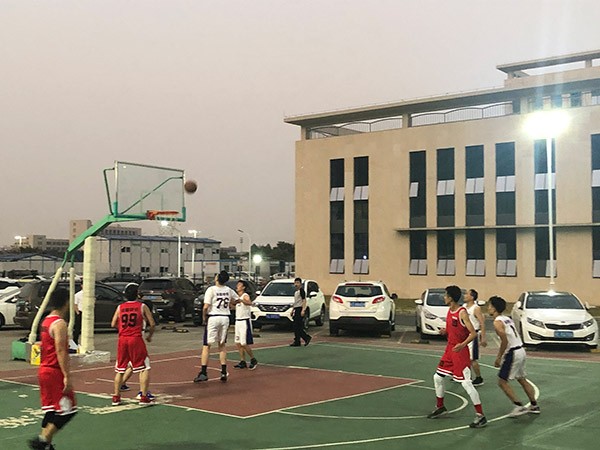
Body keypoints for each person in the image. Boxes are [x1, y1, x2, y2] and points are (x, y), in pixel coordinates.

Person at [427, 285, 487, 428]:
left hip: (460, 352)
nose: (444, 297)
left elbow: (473, 333)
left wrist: (462, 344)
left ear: (451, 298)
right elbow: (452, 329)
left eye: (445, 295)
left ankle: (481, 415)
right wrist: (445, 331)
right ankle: (440, 406)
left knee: (466, 383)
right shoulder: (450, 310)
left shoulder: (462, 313)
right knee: (437, 377)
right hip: (450, 350)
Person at [28, 288, 77, 450]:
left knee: (51, 410)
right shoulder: (59, 324)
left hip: (44, 370)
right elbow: (60, 350)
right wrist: (66, 375)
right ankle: (42, 441)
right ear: (66, 302)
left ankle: (46, 445)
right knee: (68, 410)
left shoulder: (46, 321)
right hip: (54, 371)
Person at [488, 295, 540, 417]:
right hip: (521, 350)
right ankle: (534, 405)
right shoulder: (507, 319)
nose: (488, 308)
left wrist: (499, 357)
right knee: (521, 378)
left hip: (513, 352)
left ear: (494, 308)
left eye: (489, 305)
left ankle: (518, 406)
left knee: (502, 381)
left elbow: (505, 341)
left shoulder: (497, 322)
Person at [111, 283, 156, 406]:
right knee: (144, 367)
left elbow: (113, 323)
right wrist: (149, 336)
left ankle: (116, 397)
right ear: (137, 294)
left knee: (120, 369)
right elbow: (152, 323)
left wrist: (122, 329)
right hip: (135, 338)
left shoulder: (120, 307)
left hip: (122, 339)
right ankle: (144, 396)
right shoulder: (142, 306)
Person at [194, 271, 239, 382]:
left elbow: (205, 306)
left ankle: (203, 372)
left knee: (207, 345)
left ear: (217, 278)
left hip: (213, 317)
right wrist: (230, 305)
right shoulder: (228, 290)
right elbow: (237, 300)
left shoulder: (211, 289)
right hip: (225, 317)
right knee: (222, 345)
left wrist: (204, 317)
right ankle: (223, 372)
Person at [233, 280, 258, 370]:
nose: (237, 286)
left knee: (244, 343)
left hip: (244, 321)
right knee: (238, 343)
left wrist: (242, 301)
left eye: (239, 285)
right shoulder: (237, 297)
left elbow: (249, 303)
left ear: (243, 287)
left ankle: (253, 359)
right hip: (238, 321)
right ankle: (242, 361)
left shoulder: (245, 296)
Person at [464, 288, 486, 386]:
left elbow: (482, 323)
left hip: (473, 335)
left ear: (472, 297)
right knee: (463, 356)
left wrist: (483, 337)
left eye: (467, 294)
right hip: (465, 334)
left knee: (472, 358)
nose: (464, 295)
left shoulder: (476, 308)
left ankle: (479, 377)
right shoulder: (464, 307)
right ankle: (465, 376)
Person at [290, 277, 311, 347]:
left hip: (300, 309)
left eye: (298, 283)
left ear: (300, 284)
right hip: (296, 309)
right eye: (295, 283)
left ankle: (306, 337)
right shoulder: (296, 292)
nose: (296, 284)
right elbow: (295, 302)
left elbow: (304, 300)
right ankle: (297, 341)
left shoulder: (301, 291)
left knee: (297, 326)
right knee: (295, 326)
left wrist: (303, 310)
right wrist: (292, 310)